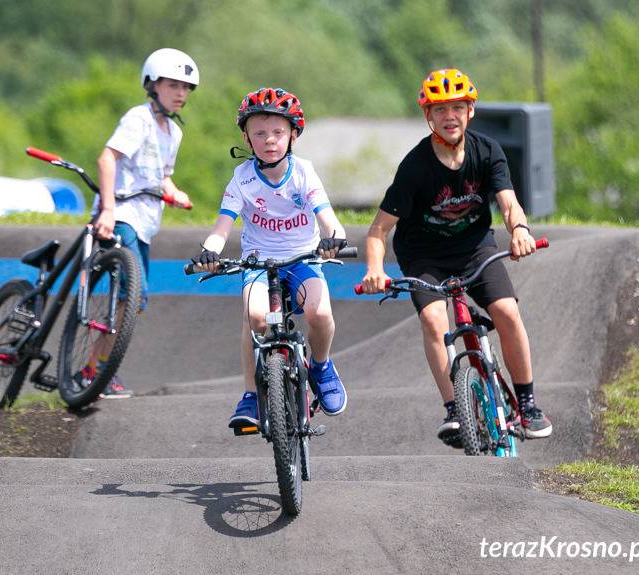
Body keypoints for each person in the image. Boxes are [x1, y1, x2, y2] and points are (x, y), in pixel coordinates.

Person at [358, 68, 552, 445]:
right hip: (423, 257)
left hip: (474, 249)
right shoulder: (414, 167)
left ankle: (527, 403)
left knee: (507, 311)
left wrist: (520, 231)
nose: (450, 116)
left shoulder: (487, 151)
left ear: (470, 112)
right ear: (428, 116)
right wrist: (374, 269)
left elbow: (508, 202)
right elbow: (378, 230)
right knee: (434, 319)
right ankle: (454, 409)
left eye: (458, 107)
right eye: (440, 109)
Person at [191, 87, 349, 429]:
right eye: (259, 133)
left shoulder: (304, 172)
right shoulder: (241, 178)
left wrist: (334, 237)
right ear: (247, 139)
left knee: (319, 313)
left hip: (303, 259)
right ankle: (251, 395)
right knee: (255, 317)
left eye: (278, 132)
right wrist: (210, 251)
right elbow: (221, 228)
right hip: (258, 264)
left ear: (293, 135)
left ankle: (321, 368)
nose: (269, 140)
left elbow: (327, 217)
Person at [91, 47, 198, 398]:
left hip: (144, 222)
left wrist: (175, 191)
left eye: (185, 88)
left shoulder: (174, 134)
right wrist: (107, 210)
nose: (180, 94)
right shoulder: (138, 119)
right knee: (133, 292)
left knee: (135, 301)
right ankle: (97, 371)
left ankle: (95, 368)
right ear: (153, 85)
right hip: (121, 214)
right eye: (172, 85)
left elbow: (162, 176)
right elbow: (108, 158)